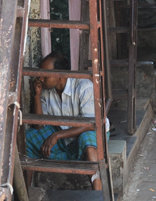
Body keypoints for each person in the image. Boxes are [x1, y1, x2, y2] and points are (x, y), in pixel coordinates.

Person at [26, 53, 104, 189]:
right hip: (62, 136)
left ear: (60, 74)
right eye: (40, 74)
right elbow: (38, 126)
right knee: (27, 138)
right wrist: (37, 95)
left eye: (46, 75)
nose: (40, 79)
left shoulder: (84, 86)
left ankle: (98, 193)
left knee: (88, 140)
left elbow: (90, 124)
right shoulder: (45, 91)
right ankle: (25, 192)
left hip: (84, 132)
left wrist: (57, 136)